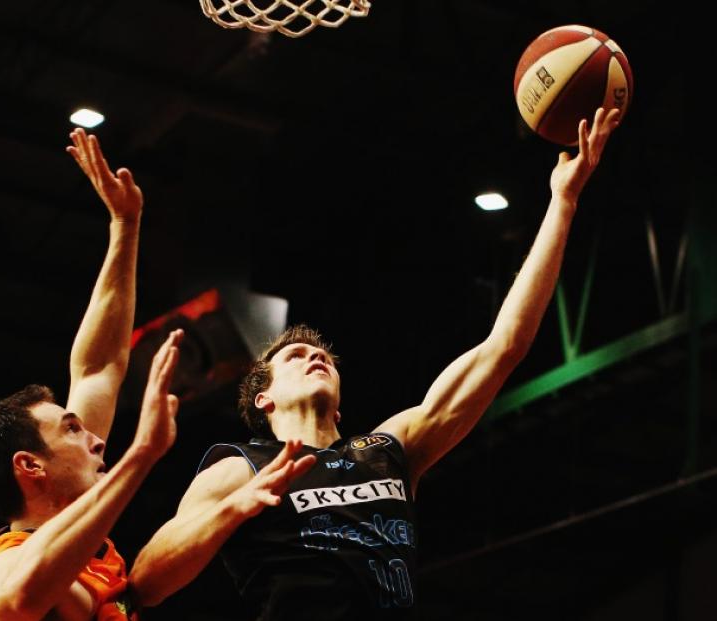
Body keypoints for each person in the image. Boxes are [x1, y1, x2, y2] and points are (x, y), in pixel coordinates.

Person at [129, 107, 622, 618]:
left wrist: (562, 203)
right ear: (264, 398)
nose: (314, 357)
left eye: (324, 357)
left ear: (341, 404)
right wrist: (236, 505)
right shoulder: (239, 467)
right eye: (296, 356)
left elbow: (504, 347)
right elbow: (145, 582)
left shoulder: (390, 450)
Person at [0, 127, 171, 621]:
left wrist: (126, 225)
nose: (96, 440)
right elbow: (18, 600)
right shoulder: (3, 564)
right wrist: (140, 456)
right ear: (30, 466)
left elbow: (99, 365)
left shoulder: (83, 550)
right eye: (72, 430)